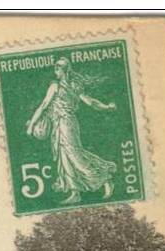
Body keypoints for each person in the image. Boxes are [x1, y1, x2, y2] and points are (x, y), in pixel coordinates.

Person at [25, 57, 117, 205]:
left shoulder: (62, 87)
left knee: (75, 155)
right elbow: (90, 102)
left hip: (66, 124)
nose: (56, 70)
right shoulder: (67, 87)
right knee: (64, 157)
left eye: (58, 68)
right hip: (59, 124)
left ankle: (105, 179)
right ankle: (75, 192)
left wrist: (31, 126)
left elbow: (43, 106)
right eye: (56, 67)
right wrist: (107, 107)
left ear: (64, 70)